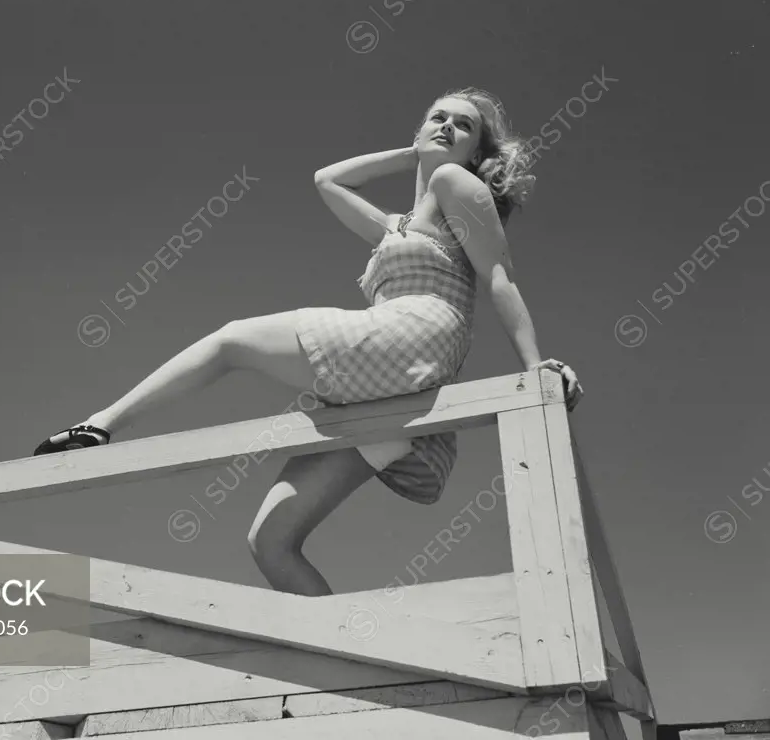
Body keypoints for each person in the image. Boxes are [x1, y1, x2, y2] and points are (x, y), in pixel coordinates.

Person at [33, 87, 584, 597]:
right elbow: (327, 180)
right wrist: (416, 152)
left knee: (232, 340)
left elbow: (499, 276)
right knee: (270, 542)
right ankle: (362, 677)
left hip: (415, 336)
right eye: (436, 117)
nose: (446, 127)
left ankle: (99, 425)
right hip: (390, 391)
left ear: (475, 151)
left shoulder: (455, 185)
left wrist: (536, 366)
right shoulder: (400, 225)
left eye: (462, 126)